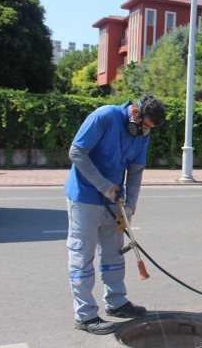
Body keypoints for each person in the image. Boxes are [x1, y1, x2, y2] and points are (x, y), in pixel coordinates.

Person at [64, 94, 166, 335]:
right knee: (82, 255)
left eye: (151, 129)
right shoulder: (105, 116)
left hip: (114, 201)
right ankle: (85, 315)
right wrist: (103, 185)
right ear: (135, 114)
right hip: (84, 198)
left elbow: (136, 171)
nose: (145, 132)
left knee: (114, 254)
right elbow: (77, 152)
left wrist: (130, 207)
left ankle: (116, 302)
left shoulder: (143, 135)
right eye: (146, 125)